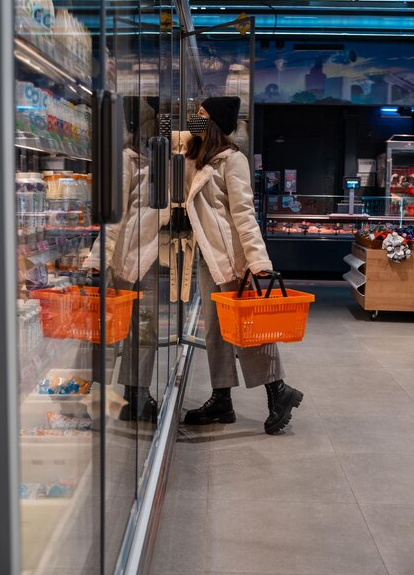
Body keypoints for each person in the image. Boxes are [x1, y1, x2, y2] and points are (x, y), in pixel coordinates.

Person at [176, 96, 303, 434]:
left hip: (232, 260)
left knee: (248, 330)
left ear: (215, 122)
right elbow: (168, 140)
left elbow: (245, 215)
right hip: (206, 256)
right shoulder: (196, 155)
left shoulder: (233, 160)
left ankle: (279, 391)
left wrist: (258, 261)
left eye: (201, 115)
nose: (195, 119)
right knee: (215, 331)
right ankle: (221, 399)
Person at [84, 97, 168, 423]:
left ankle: (137, 393)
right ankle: (96, 398)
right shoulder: (126, 160)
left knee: (145, 331)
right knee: (110, 331)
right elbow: (113, 216)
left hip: (148, 259)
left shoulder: (156, 159)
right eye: (153, 120)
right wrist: (98, 258)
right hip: (122, 260)